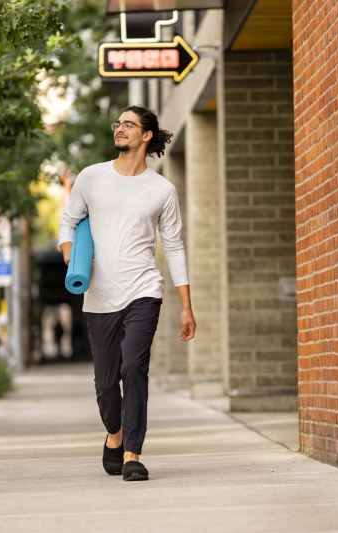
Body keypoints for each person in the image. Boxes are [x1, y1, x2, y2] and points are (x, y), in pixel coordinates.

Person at [58, 105, 196, 481]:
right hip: (99, 295)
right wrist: (73, 260)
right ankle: (114, 435)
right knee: (105, 383)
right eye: (118, 123)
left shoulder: (162, 190)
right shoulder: (91, 178)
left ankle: (133, 453)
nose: (119, 129)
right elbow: (68, 222)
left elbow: (175, 246)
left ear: (146, 135)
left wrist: (186, 306)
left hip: (143, 290)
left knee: (134, 367)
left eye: (128, 124)